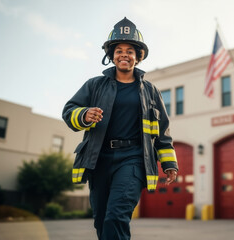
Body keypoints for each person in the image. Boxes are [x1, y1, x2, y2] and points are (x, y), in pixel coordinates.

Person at [62, 17, 178, 240]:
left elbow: (163, 131)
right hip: (99, 159)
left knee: (116, 217)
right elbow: (69, 111)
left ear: (138, 56)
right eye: (119, 50)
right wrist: (84, 114)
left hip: (133, 159)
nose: (124, 54)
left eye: (130, 51)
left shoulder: (150, 91)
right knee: (101, 220)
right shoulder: (94, 85)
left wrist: (169, 162)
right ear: (111, 55)